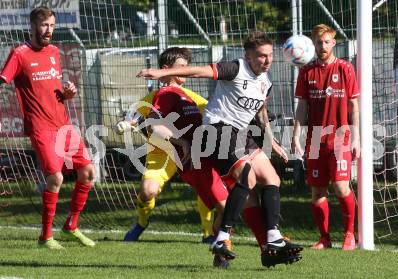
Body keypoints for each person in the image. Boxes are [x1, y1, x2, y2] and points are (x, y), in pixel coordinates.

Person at [136, 31, 303, 262]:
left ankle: (271, 239)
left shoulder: (266, 82)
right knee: (247, 180)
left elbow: (260, 112)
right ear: (248, 56)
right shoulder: (235, 68)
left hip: (240, 133)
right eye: (261, 56)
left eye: (270, 55)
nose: (267, 60)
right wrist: (164, 73)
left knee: (271, 178)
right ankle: (223, 238)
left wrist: (271, 140)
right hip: (218, 130)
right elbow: (199, 71)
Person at [0, 6, 96, 250]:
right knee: (56, 177)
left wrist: (67, 93)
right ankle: (45, 237)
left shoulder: (54, 52)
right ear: (32, 27)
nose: (49, 30)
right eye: (44, 25)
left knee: (88, 173)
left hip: (64, 125)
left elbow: (52, 90)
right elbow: (2, 81)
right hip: (41, 128)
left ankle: (71, 226)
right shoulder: (19, 54)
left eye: (52, 25)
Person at [119, 47, 217, 244]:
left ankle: (208, 234)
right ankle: (141, 222)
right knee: (148, 192)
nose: (185, 70)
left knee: (207, 189)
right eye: (181, 67)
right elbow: (135, 117)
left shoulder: (190, 97)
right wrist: (126, 124)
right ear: (166, 69)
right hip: (161, 152)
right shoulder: (157, 96)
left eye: (187, 67)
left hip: (189, 151)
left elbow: (213, 113)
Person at [291, 24, 360, 251]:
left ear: (334, 43)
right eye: (319, 42)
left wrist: (356, 137)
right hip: (315, 138)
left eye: (327, 42)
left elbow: (353, 105)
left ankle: (351, 234)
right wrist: (296, 134)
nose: (323, 46)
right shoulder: (306, 71)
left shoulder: (345, 68)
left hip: (341, 136)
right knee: (317, 192)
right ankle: (325, 238)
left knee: (341, 187)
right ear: (314, 43)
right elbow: (302, 106)